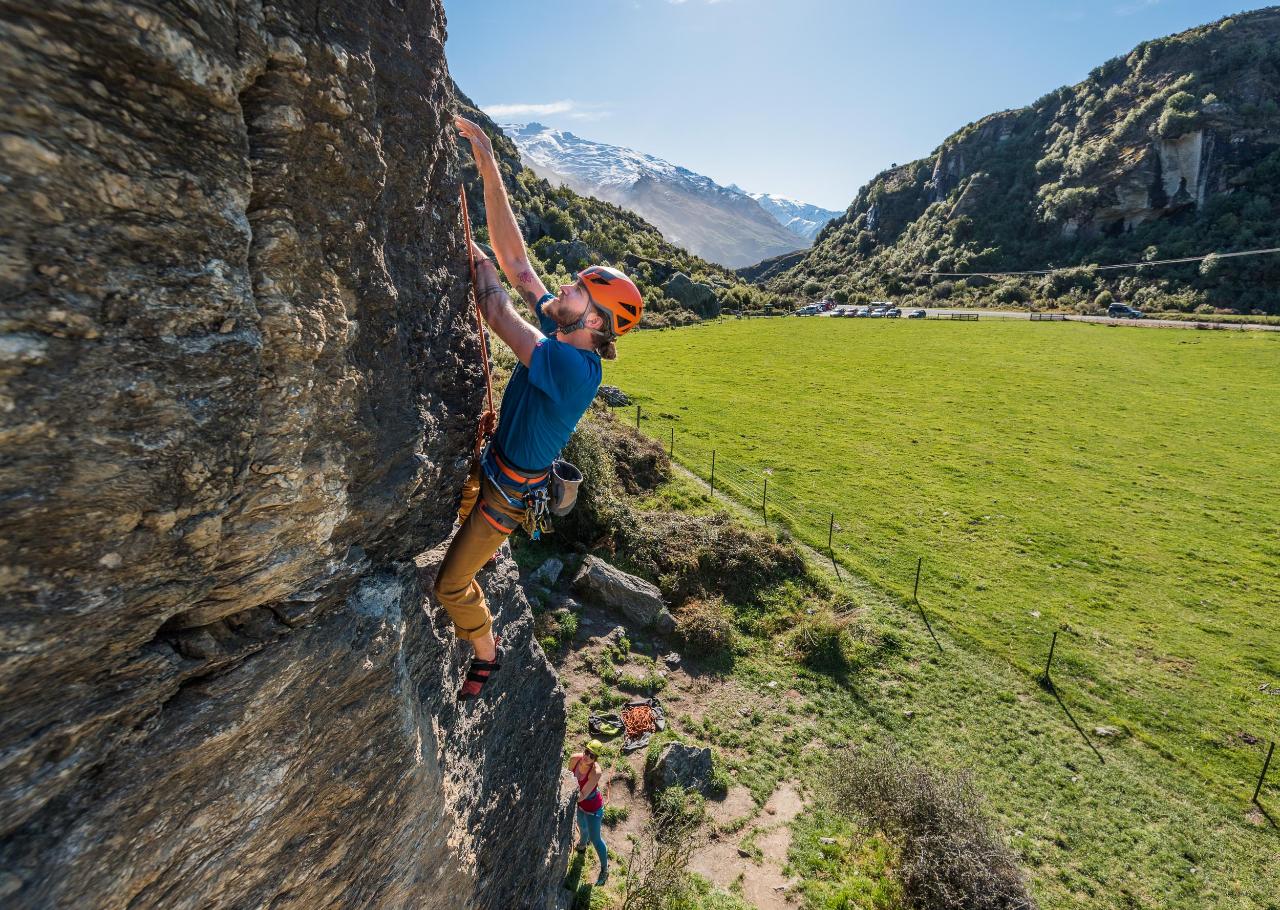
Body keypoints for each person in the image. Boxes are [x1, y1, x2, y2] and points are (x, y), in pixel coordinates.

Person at [436, 116, 644, 700]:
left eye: (577, 291)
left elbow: (499, 313)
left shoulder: (574, 368)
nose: (563, 290)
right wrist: (487, 164)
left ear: (593, 321)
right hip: (494, 463)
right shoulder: (569, 332)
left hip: (505, 495)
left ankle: (485, 650)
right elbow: (519, 266)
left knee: (451, 584)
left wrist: (470, 255)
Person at [568, 740, 609, 886]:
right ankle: (582, 846)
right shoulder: (574, 759)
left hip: (593, 808)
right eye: (586, 752)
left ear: (595, 760)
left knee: (596, 839)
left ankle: (605, 869)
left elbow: (583, 794)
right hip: (579, 806)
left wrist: (567, 798)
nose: (587, 756)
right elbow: (568, 778)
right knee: (583, 829)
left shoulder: (595, 772)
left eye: (592, 756)